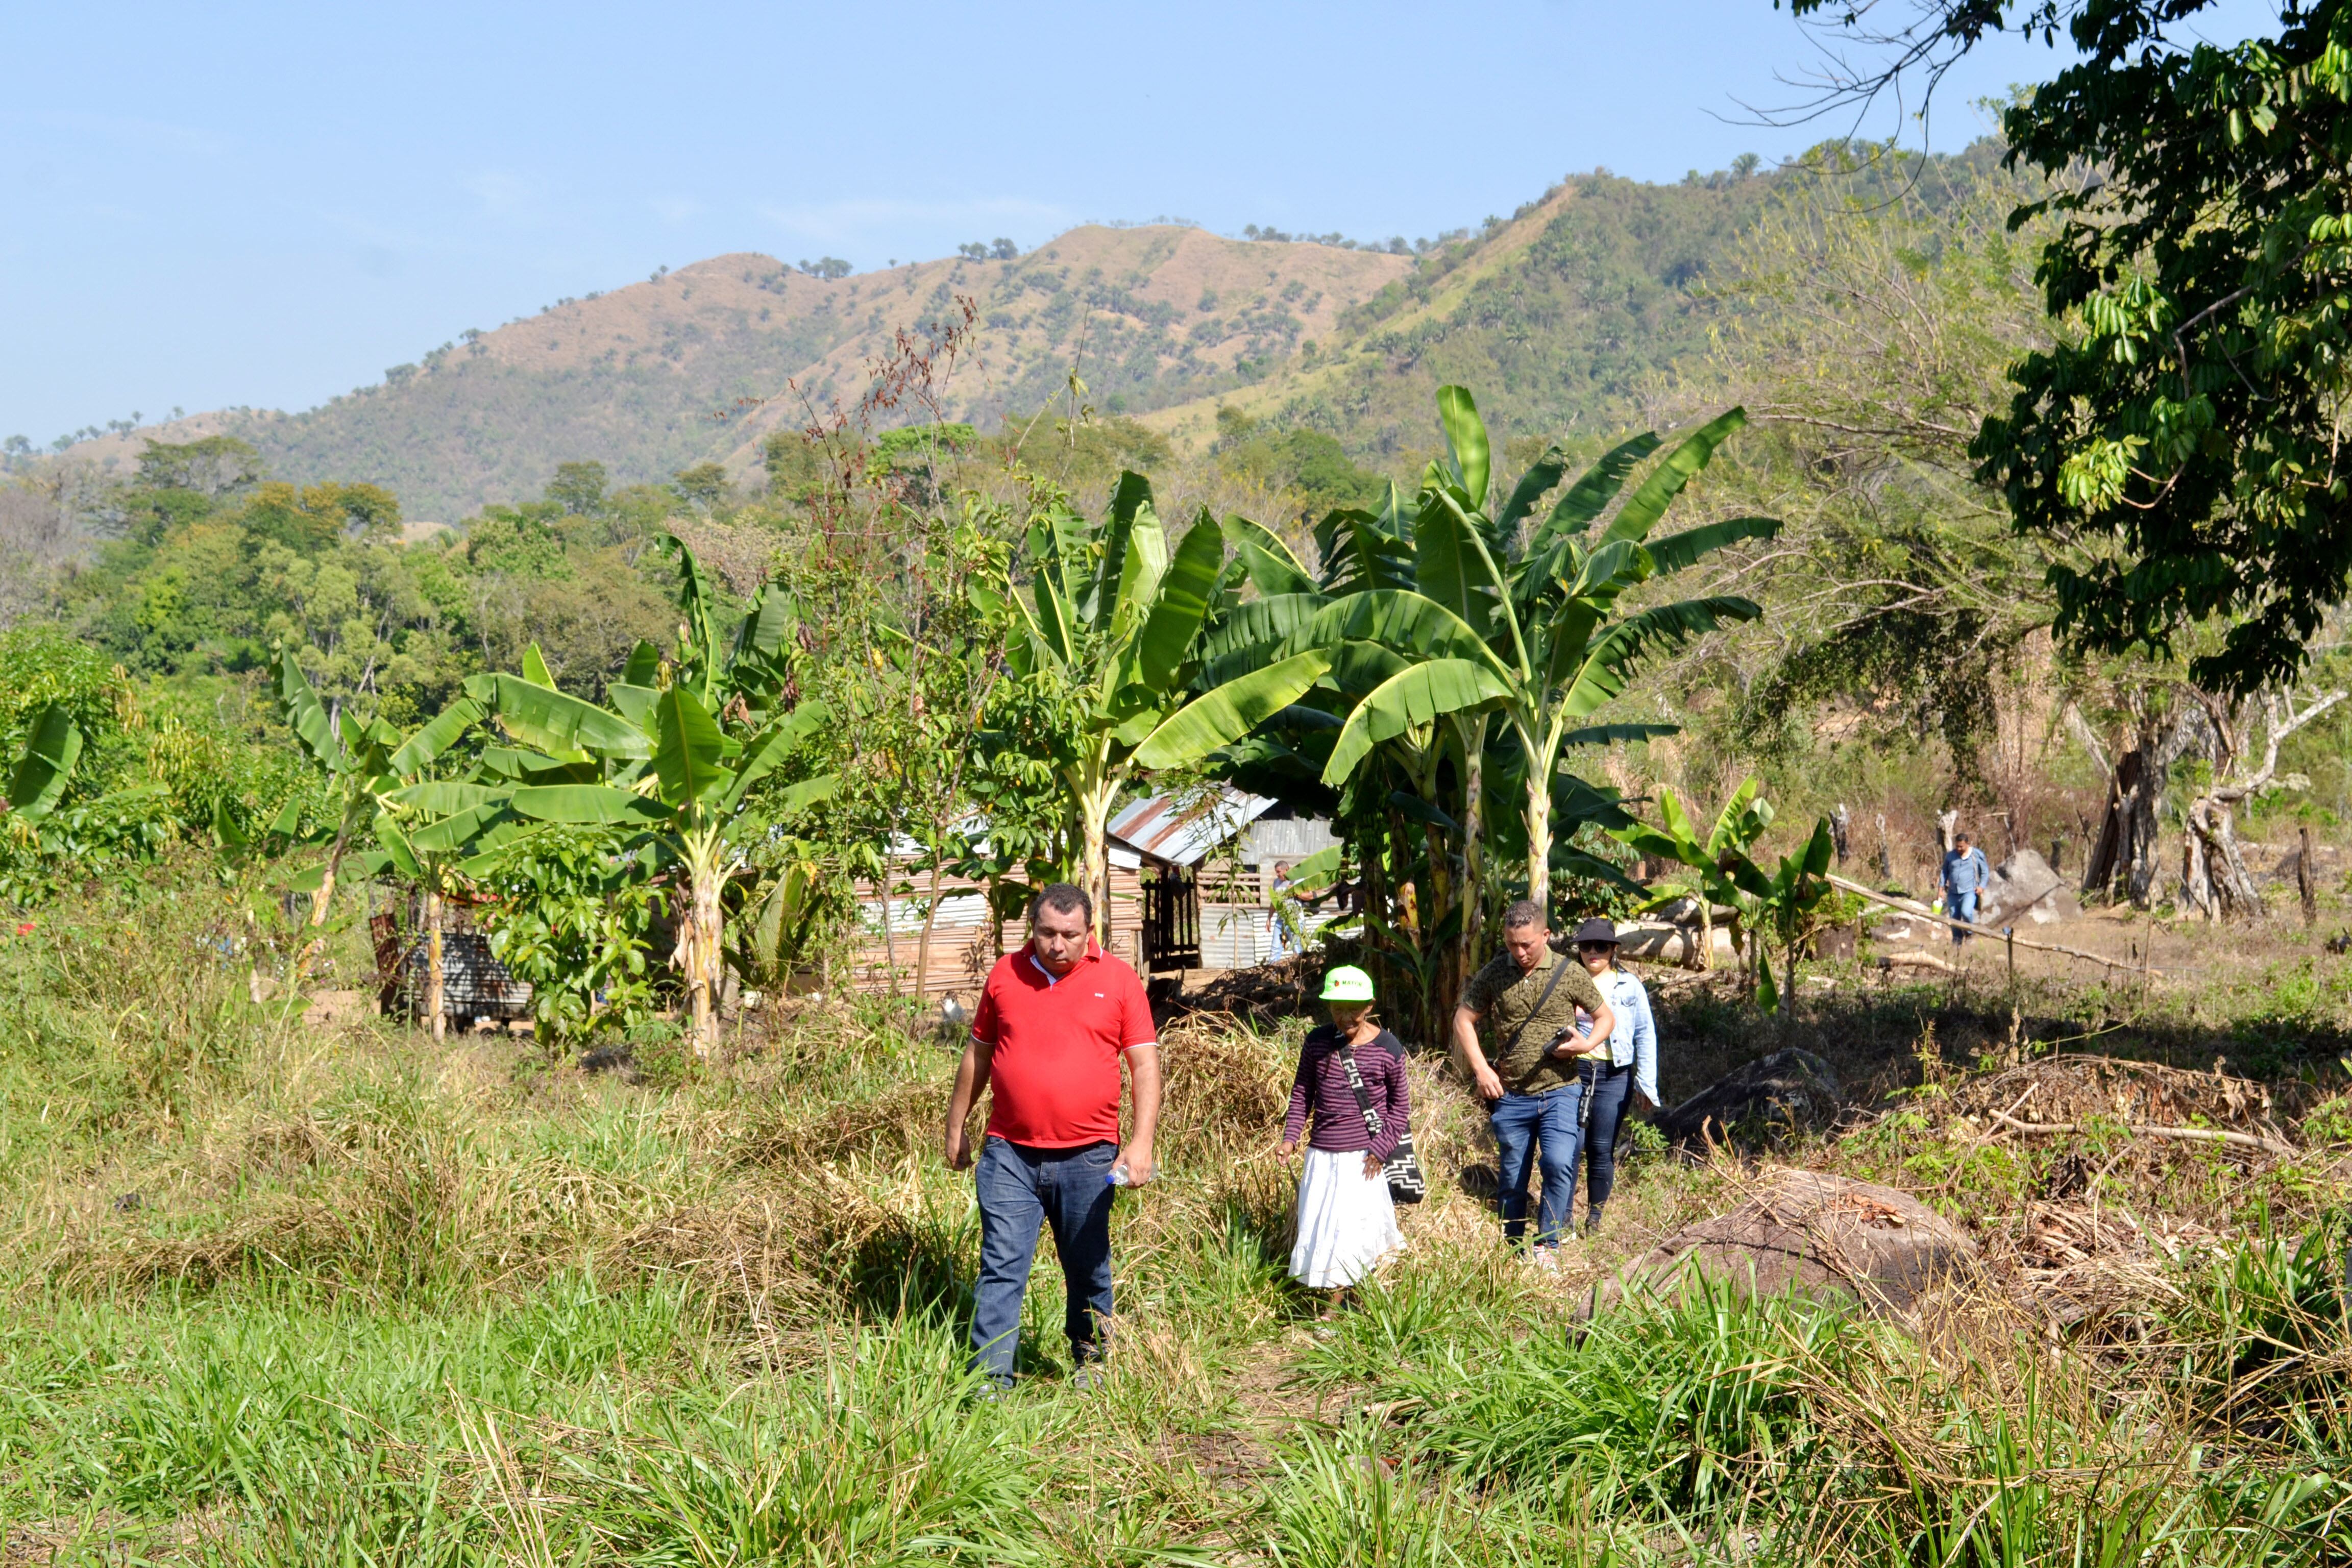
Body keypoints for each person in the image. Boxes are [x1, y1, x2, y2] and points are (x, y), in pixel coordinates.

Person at [944, 881, 1161, 1394]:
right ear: (1032, 930)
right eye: (1046, 933)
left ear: (1090, 932)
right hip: (1010, 1153)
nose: (1056, 945)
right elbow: (977, 1054)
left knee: (1088, 1266)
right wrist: (956, 1127)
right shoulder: (1005, 973)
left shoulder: (1120, 979)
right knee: (1001, 1265)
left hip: (1089, 1157)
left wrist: (1141, 1140)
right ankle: (991, 1379)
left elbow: (1144, 1064)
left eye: (1069, 934)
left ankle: (1093, 1364)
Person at [1452, 901, 1615, 1263]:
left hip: (1561, 1088)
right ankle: (1512, 1246)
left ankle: (1548, 1245)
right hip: (1512, 1095)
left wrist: (1586, 1044)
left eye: (1527, 944)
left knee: (1558, 1162)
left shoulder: (1569, 972)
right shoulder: (1496, 973)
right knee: (1512, 1175)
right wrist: (1481, 1069)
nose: (1520, 952)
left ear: (1546, 935)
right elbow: (1463, 1020)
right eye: (1513, 944)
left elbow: (1605, 1017)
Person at [1279, 965, 1408, 1318]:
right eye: (1337, 1008)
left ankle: (1334, 1311)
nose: (1345, 1016)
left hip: (1364, 1160)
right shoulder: (1317, 1042)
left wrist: (1381, 1149)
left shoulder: (1388, 1048)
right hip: (1323, 1156)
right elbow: (1302, 1092)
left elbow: (1400, 1107)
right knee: (1328, 1231)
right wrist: (1291, 1139)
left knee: (1353, 1233)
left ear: (1370, 1005)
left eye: (1353, 1008)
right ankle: (1353, 1303)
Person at [1564, 919, 1658, 1238]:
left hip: (1614, 1074)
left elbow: (1645, 1036)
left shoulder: (1629, 986)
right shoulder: (1565, 979)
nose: (1593, 952)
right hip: (1572, 1072)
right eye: (1586, 946)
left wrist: (1647, 1084)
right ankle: (1563, 1218)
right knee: (1569, 1146)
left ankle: (1594, 1220)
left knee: (1601, 1148)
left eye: (1600, 947)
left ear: (1613, 950)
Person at [1942, 831, 1991, 947]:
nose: (1959, 849)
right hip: (1953, 893)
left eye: (1961, 847)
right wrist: (1941, 888)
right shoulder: (1950, 856)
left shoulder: (1976, 855)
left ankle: (1969, 933)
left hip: (1969, 891)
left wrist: (1982, 887)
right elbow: (1944, 872)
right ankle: (1957, 941)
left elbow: (1985, 871)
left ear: (1968, 844)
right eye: (1957, 846)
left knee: (1966, 913)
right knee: (1954, 918)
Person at [1267, 861, 1300, 961]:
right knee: (1275, 949)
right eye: (1276, 872)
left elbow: (1310, 896)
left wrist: (1295, 892)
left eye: (1279, 872)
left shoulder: (1297, 881)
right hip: (1281, 920)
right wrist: (1269, 918)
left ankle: (1300, 971)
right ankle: (1271, 974)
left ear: (1287, 870)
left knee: (1297, 948)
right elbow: (1274, 902)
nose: (1277, 874)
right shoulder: (1276, 883)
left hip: (1294, 919)